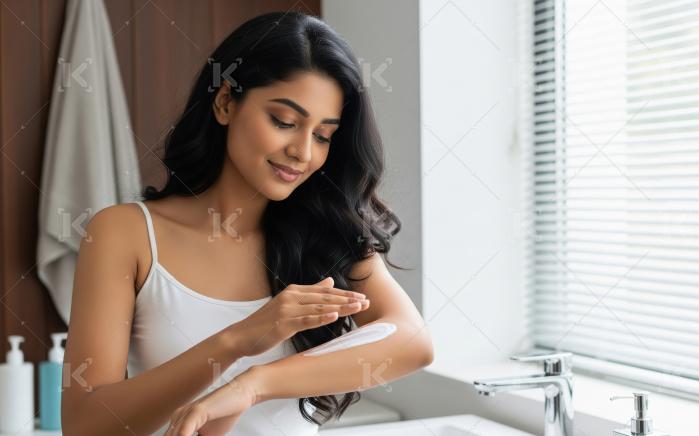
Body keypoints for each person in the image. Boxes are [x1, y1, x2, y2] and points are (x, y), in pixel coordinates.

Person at [61, 11, 434, 436]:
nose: (302, 152)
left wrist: (253, 384)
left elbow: (413, 342)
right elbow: (85, 425)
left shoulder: (328, 233)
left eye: (323, 135)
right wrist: (239, 339)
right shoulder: (125, 234)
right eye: (284, 122)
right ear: (225, 102)